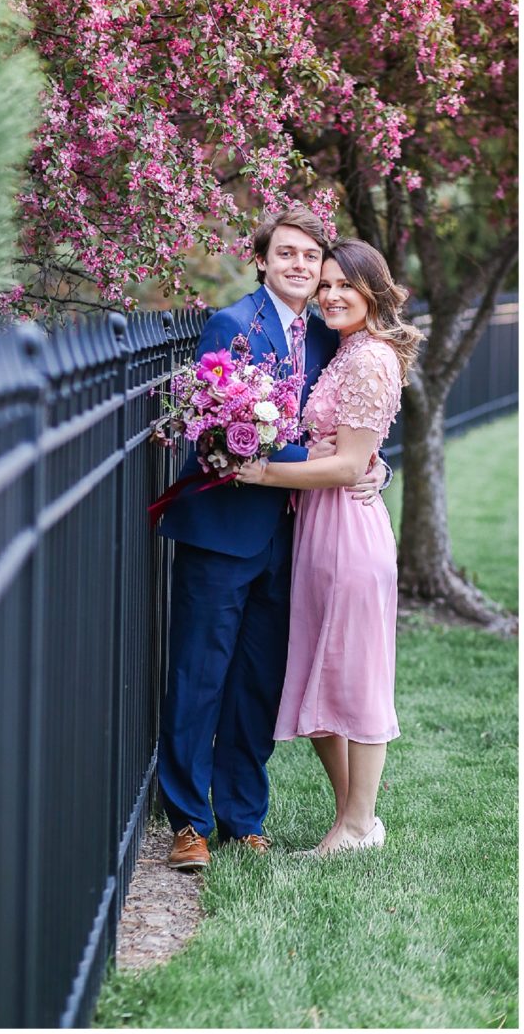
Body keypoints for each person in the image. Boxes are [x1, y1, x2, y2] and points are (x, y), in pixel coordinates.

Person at [155, 205, 386, 871]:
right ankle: (189, 821)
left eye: (310, 257)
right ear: (262, 260)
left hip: (296, 540)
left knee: (258, 683)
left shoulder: (327, 337)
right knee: (200, 676)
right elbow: (209, 431)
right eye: (286, 253)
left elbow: (346, 428)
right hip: (224, 532)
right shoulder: (232, 324)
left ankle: (244, 817)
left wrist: (373, 465)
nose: (300, 266)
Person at [234, 240, 420, 853]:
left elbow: (345, 466)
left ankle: (362, 822)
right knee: (319, 672)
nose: (332, 295)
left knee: (357, 679)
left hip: (348, 531)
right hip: (317, 528)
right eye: (326, 285)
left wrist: (263, 473)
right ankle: (350, 820)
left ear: (374, 291)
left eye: (347, 285)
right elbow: (356, 453)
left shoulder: (370, 360)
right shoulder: (344, 350)